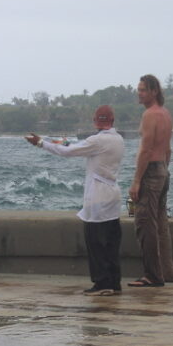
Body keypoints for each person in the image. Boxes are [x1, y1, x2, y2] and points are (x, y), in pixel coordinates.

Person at [25, 105, 125, 296]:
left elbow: (67, 152)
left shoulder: (97, 140)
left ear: (95, 121)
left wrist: (41, 143)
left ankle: (102, 283)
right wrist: (58, 142)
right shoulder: (118, 139)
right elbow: (73, 147)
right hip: (113, 195)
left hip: (97, 197)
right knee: (112, 244)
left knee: (95, 244)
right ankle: (114, 282)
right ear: (112, 121)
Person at [128, 74, 173, 287]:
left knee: (145, 223)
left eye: (143, 90)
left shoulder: (150, 115)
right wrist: (164, 170)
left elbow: (146, 150)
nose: (139, 94)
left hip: (151, 171)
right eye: (138, 90)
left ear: (154, 91)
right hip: (163, 170)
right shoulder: (165, 114)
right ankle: (167, 272)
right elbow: (168, 149)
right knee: (160, 223)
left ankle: (152, 275)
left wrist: (137, 180)